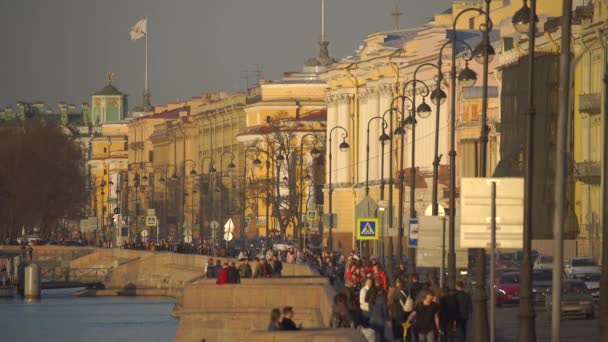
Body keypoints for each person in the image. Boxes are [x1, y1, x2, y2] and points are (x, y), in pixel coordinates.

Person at [368, 277, 390, 342]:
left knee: (372, 335)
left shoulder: (371, 298)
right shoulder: (382, 298)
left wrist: (371, 313)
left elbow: (369, 306)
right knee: (381, 335)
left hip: (372, 317)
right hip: (380, 317)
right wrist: (388, 319)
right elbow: (385, 309)